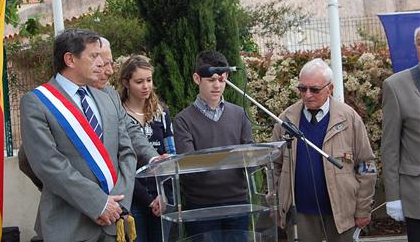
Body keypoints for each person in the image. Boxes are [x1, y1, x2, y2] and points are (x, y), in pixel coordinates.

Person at [20, 29, 136, 242]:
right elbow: (47, 164)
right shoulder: (37, 102)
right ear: (70, 59)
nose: (102, 63)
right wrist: (98, 203)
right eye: (94, 56)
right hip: (69, 227)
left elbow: (127, 153)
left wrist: (117, 203)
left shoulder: (107, 97)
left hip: (114, 223)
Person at [272, 58, 377, 242]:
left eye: (314, 89)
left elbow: (365, 165)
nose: (307, 95)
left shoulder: (349, 119)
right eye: (302, 89)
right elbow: (274, 167)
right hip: (300, 215)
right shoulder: (285, 120)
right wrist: (276, 205)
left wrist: (363, 209)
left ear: (330, 88)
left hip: (342, 215)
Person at [174, 50, 253, 241]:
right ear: (196, 78)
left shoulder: (240, 114)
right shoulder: (183, 120)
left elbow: (250, 155)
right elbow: (189, 164)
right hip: (202, 207)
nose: (217, 85)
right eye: (211, 80)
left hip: (237, 204)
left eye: (222, 79)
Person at [118, 55, 176, 242]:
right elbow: (121, 164)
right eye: (139, 81)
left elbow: (171, 156)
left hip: (163, 198)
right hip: (134, 198)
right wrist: (148, 199)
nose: (146, 86)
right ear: (126, 82)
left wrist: (163, 195)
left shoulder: (162, 113)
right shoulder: (119, 115)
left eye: (149, 80)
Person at [381, 27, 420, 242]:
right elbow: (389, 147)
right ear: (416, 47)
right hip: (417, 198)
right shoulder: (396, 86)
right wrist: (393, 197)